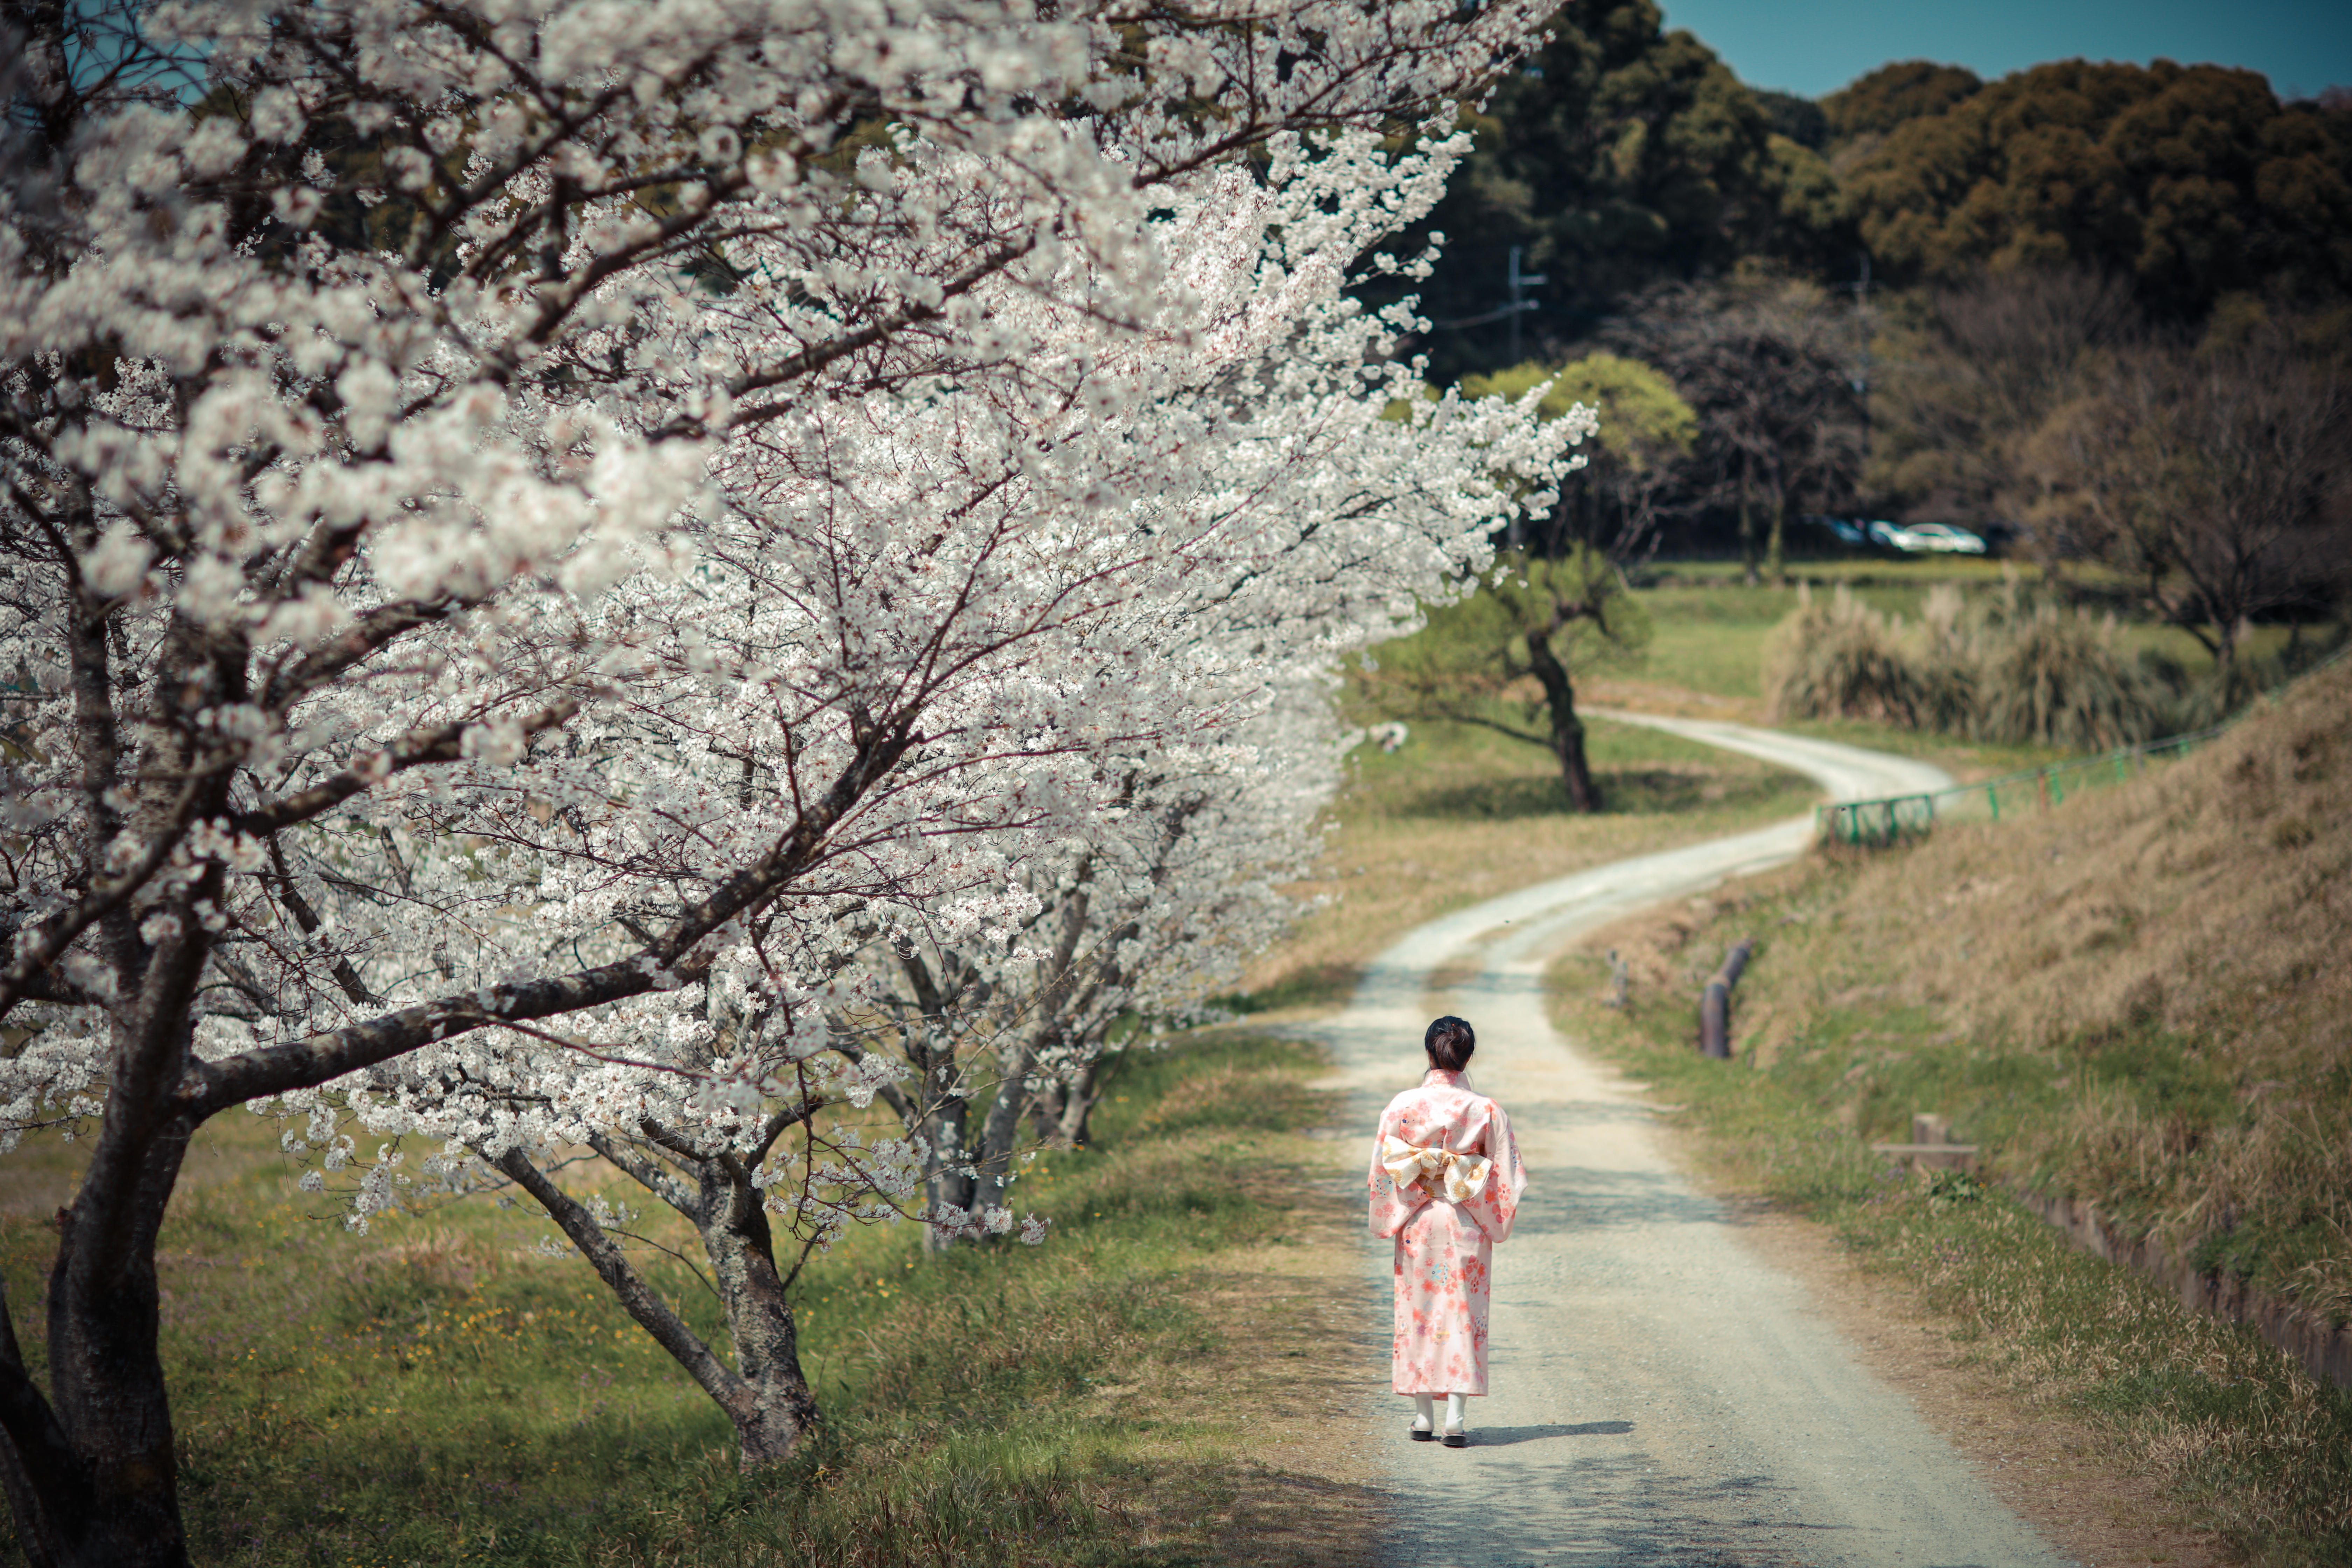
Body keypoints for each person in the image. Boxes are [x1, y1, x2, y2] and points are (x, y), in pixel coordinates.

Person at [1367, 1014, 1527, 1448]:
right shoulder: (1487, 1110)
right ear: (1468, 1056)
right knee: (1462, 1314)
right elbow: (1507, 1177)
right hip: (1466, 1220)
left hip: (1417, 1220)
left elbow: (1383, 1170)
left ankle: (1423, 1417)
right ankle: (1455, 1418)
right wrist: (1482, 1204)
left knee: (1418, 1313)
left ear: (1429, 1052)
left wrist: (1395, 1210)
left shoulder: (1401, 1105)